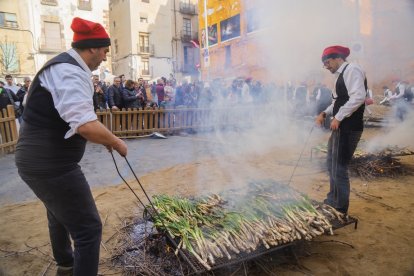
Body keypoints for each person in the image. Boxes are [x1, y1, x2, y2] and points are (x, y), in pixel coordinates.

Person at [15, 17, 127, 276]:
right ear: (91, 48)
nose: (105, 57)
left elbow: (71, 118)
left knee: (59, 213)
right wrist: (116, 141)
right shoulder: (70, 71)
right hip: (51, 165)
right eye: (104, 51)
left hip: (39, 160)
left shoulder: (63, 66)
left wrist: (105, 139)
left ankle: (65, 266)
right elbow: (86, 125)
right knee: (88, 229)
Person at [315, 45, 366, 215]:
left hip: (349, 128)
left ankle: (340, 207)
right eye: (324, 64)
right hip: (341, 128)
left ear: (338, 58)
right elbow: (337, 101)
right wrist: (324, 113)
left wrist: (338, 117)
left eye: (327, 62)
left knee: (339, 167)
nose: (326, 66)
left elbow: (358, 96)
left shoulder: (352, 69)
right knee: (331, 163)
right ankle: (332, 199)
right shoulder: (341, 76)